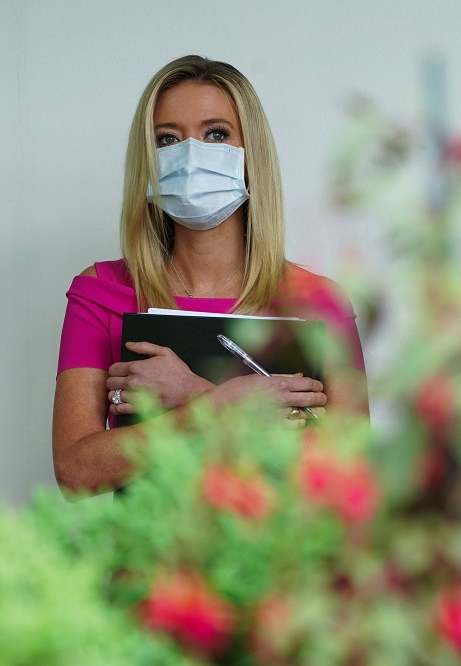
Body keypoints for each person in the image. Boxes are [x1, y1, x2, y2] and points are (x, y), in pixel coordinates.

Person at [53, 55, 368, 498]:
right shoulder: (102, 293)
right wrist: (218, 404)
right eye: (167, 139)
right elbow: (75, 471)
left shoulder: (318, 303)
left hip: (274, 566)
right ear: (148, 158)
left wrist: (193, 392)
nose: (190, 154)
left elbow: (349, 479)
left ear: (249, 153)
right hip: (146, 563)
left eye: (216, 133)